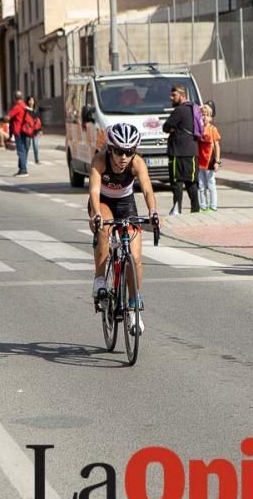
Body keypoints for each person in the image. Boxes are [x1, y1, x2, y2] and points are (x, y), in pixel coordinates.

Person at [88, 123, 160, 336]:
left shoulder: (137, 163)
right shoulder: (100, 161)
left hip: (126, 203)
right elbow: (93, 190)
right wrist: (96, 214)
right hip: (102, 202)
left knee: (135, 258)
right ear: (110, 149)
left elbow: (147, 189)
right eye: (119, 151)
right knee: (105, 230)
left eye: (129, 152)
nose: (124, 157)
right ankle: (100, 280)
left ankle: (133, 306)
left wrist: (153, 211)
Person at [162, 84, 200, 214]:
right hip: (192, 151)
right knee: (192, 182)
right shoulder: (194, 108)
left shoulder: (179, 110)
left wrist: (173, 128)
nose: (171, 97)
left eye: (174, 95)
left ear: (182, 96)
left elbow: (166, 127)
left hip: (177, 153)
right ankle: (196, 209)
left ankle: (176, 210)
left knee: (177, 183)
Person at [197, 104, 221, 212]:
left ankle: (213, 206)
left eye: (206, 115)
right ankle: (203, 206)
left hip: (209, 161)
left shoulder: (213, 129)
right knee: (201, 186)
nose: (204, 117)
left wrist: (217, 161)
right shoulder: (198, 129)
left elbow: (217, 146)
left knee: (211, 185)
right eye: (202, 114)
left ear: (211, 117)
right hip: (200, 161)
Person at [7, 91, 31, 177]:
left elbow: (8, 117)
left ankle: (23, 170)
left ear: (14, 98)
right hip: (26, 131)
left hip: (19, 131)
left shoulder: (17, 107)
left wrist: (2, 119)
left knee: (21, 151)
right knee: (24, 150)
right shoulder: (24, 106)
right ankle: (21, 169)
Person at [26, 96, 43, 164]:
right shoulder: (26, 110)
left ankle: (37, 159)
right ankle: (25, 159)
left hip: (36, 130)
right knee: (27, 145)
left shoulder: (36, 109)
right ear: (27, 101)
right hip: (28, 130)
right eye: (29, 100)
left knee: (35, 145)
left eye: (32, 100)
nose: (31, 102)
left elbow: (38, 120)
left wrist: (40, 130)